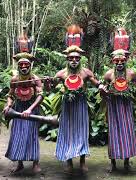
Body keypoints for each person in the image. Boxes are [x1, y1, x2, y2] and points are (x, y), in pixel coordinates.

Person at [46, 45, 104, 173]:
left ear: (80, 59)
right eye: (71, 58)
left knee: (82, 132)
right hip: (67, 106)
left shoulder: (86, 72)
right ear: (67, 59)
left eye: (76, 58)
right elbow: (50, 87)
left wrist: (101, 86)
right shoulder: (61, 74)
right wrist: (48, 83)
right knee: (67, 132)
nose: (74, 60)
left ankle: (82, 161)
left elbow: (97, 83)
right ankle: (69, 161)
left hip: (81, 105)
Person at [3, 52, 43, 174]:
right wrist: (8, 104)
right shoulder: (14, 80)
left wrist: (30, 109)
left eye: (26, 65)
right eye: (21, 65)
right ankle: (19, 163)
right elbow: (10, 95)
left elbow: (40, 96)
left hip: (31, 110)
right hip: (18, 110)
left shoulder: (35, 79)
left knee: (32, 135)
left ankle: (35, 163)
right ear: (18, 66)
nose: (24, 67)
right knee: (18, 135)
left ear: (30, 66)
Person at [101, 49, 136, 172]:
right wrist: (103, 92)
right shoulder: (108, 75)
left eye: (122, 61)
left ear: (126, 61)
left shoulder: (131, 74)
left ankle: (127, 162)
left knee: (127, 132)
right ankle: (113, 163)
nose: (119, 63)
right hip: (113, 107)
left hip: (126, 107)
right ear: (113, 61)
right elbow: (103, 94)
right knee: (113, 133)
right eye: (117, 61)